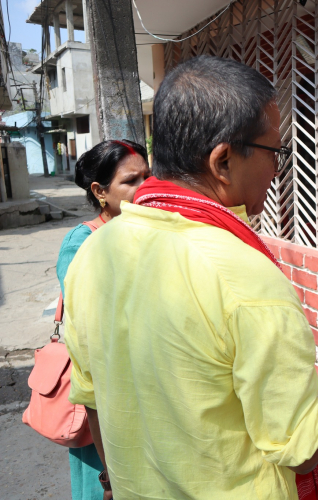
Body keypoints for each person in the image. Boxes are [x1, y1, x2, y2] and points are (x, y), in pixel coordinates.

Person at [62, 55, 318, 499]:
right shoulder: (244, 275)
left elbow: (92, 397)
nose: (279, 170)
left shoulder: (94, 254)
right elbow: (300, 447)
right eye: (276, 152)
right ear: (223, 160)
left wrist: (113, 481)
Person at [56, 139, 150, 500]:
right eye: (131, 180)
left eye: (148, 175)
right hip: (106, 401)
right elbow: (93, 332)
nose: (145, 187)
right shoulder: (81, 243)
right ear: (99, 191)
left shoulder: (147, 232)